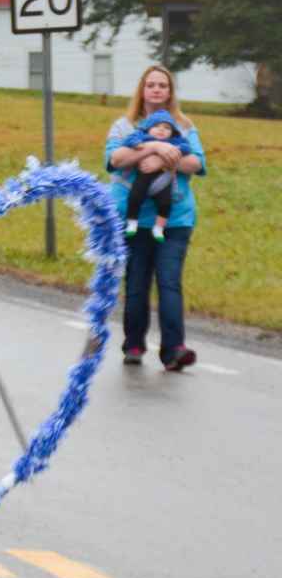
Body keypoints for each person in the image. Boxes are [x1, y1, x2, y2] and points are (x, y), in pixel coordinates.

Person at [105, 65, 207, 372]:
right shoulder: (124, 127)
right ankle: (134, 344)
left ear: (170, 91)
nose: (157, 89)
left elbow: (196, 162)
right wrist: (151, 145)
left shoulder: (184, 127)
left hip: (175, 219)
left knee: (169, 282)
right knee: (136, 283)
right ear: (142, 90)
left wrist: (165, 156)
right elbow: (115, 159)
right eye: (151, 84)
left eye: (163, 85)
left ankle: (174, 349)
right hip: (132, 219)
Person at [118, 109, 192, 241]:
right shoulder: (143, 137)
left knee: (165, 203)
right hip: (143, 176)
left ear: (172, 132)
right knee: (135, 197)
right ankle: (132, 222)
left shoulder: (174, 142)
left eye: (166, 128)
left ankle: (158, 228)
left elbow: (186, 147)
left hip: (164, 178)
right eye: (156, 126)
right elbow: (129, 140)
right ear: (148, 128)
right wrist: (138, 144)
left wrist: (176, 151)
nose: (161, 130)